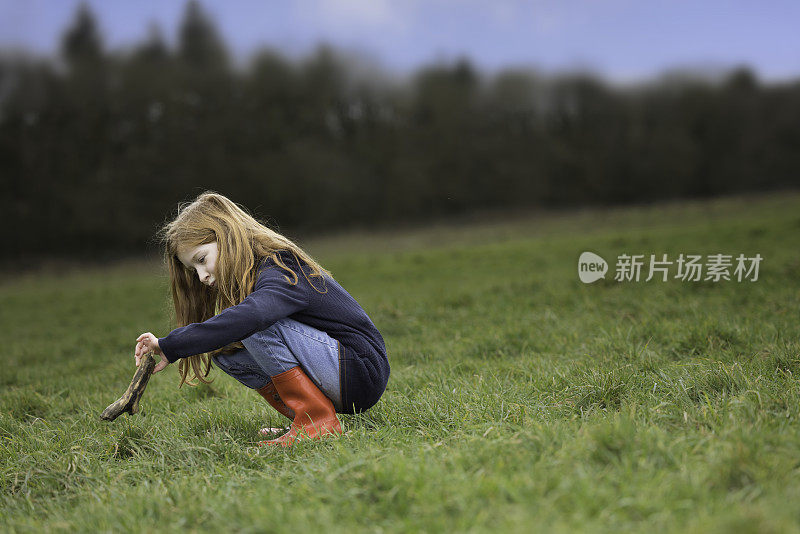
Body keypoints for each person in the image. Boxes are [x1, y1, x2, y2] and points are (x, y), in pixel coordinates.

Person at [133, 191, 390, 447]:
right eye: (193, 269)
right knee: (226, 351)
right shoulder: (258, 276)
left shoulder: (280, 266)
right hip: (338, 371)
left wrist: (171, 344)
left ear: (226, 235)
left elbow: (253, 315)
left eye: (202, 260)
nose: (201, 276)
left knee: (251, 323)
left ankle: (317, 422)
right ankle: (305, 418)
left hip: (359, 371)